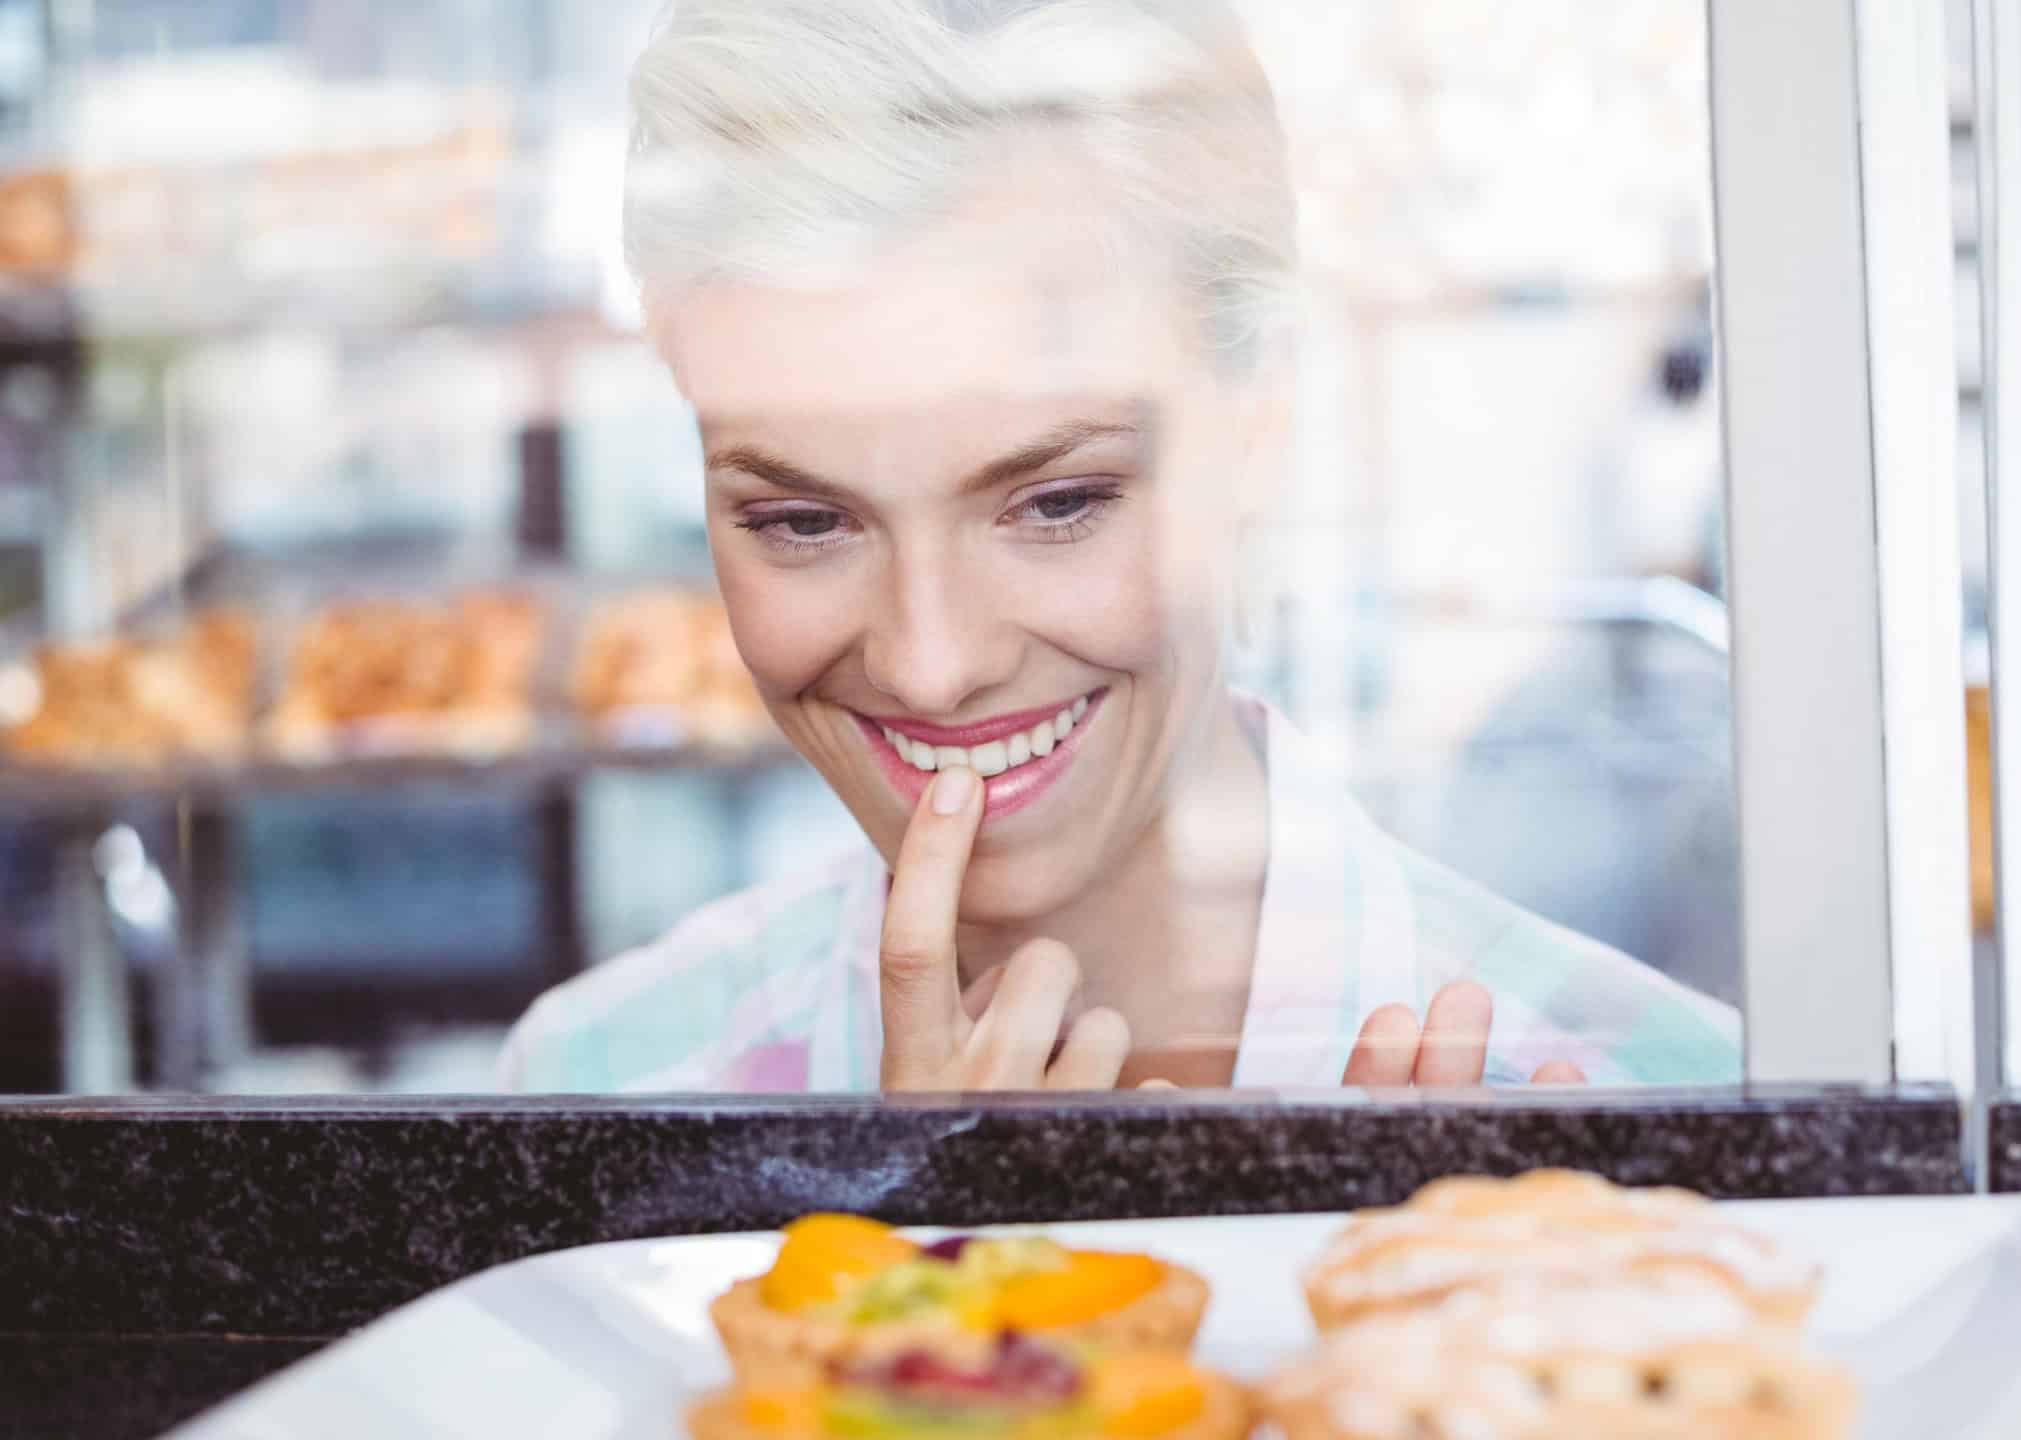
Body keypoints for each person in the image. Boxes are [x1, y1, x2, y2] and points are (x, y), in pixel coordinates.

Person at [499, 0, 1741, 1094]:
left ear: (1261, 424)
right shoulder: (597, 1083)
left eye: (1057, 503)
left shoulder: (1652, 1115)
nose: (931, 666)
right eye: (803, 522)